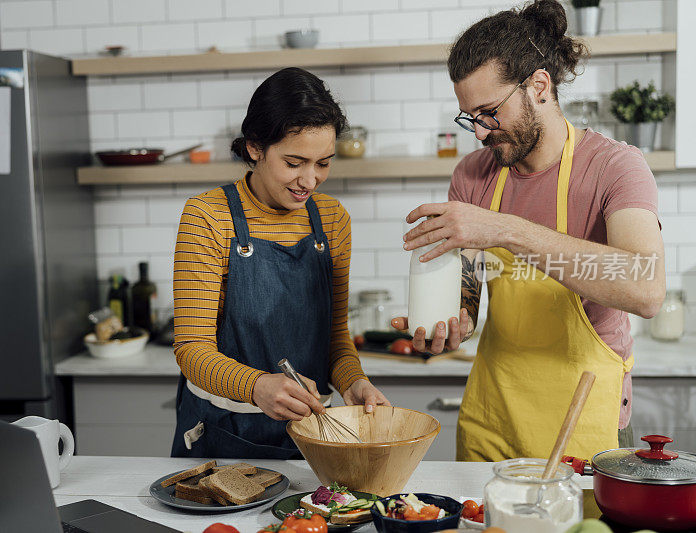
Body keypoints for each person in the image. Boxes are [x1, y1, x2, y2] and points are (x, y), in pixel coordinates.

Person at [394, 0, 665, 462]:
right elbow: (468, 297)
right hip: (492, 418)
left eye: (488, 112)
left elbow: (645, 289)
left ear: (539, 85)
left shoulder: (615, 168)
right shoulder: (472, 176)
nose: (479, 132)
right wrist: (448, 325)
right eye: (470, 118)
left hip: (583, 419)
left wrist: (503, 228)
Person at [171, 67, 390, 459]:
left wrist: (353, 382)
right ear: (255, 147)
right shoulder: (207, 216)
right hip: (223, 436)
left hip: (311, 436)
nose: (310, 180)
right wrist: (257, 386)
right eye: (294, 162)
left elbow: (336, 341)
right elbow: (192, 350)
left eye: (323, 163)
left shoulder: (333, 219)